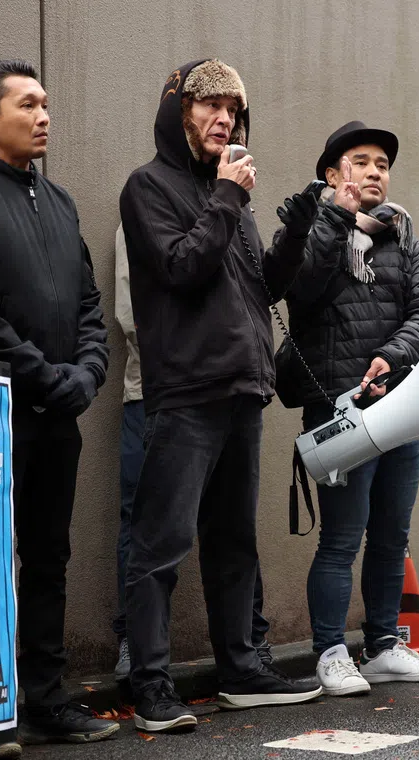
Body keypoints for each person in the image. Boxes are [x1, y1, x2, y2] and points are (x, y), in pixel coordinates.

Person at [119, 59, 323, 733]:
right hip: (186, 392)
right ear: (179, 115)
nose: (224, 120)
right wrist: (229, 199)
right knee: (161, 543)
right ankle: (150, 685)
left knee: (235, 542)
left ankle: (244, 669)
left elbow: (261, 288)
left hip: (243, 387)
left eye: (233, 110)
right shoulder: (148, 188)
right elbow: (181, 267)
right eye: (209, 107)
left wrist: (293, 232)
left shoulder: (229, 198)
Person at [0, 60, 118, 753]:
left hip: (56, 412)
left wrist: (87, 373)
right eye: (28, 104)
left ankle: (46, 701)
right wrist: (46, 376)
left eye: (46, 103)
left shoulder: (60, 202)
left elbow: (91, 307)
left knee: (48, 559)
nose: (43, 116)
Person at [275, 120, 419, 696]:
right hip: (338, 409)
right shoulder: (312, 228)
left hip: (400, 405)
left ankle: (381, 647)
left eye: (382, 163)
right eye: (361, 161)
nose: (375, 171)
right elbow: (304, 291)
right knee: (341, 539)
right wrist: (333, 216)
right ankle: (329, 650)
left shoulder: (401, 232)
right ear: (332, 173)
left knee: (392, 535)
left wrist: (390, 357)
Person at [111, 223, 275, 683]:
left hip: (231, 391)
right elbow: (134, 313)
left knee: (232, 529)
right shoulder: (151, 203)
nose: (230, 146)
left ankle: (247, 647)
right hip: (158, 391)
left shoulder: (238, 210)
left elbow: (258, 291)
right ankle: (136, 649)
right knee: (148, 525)